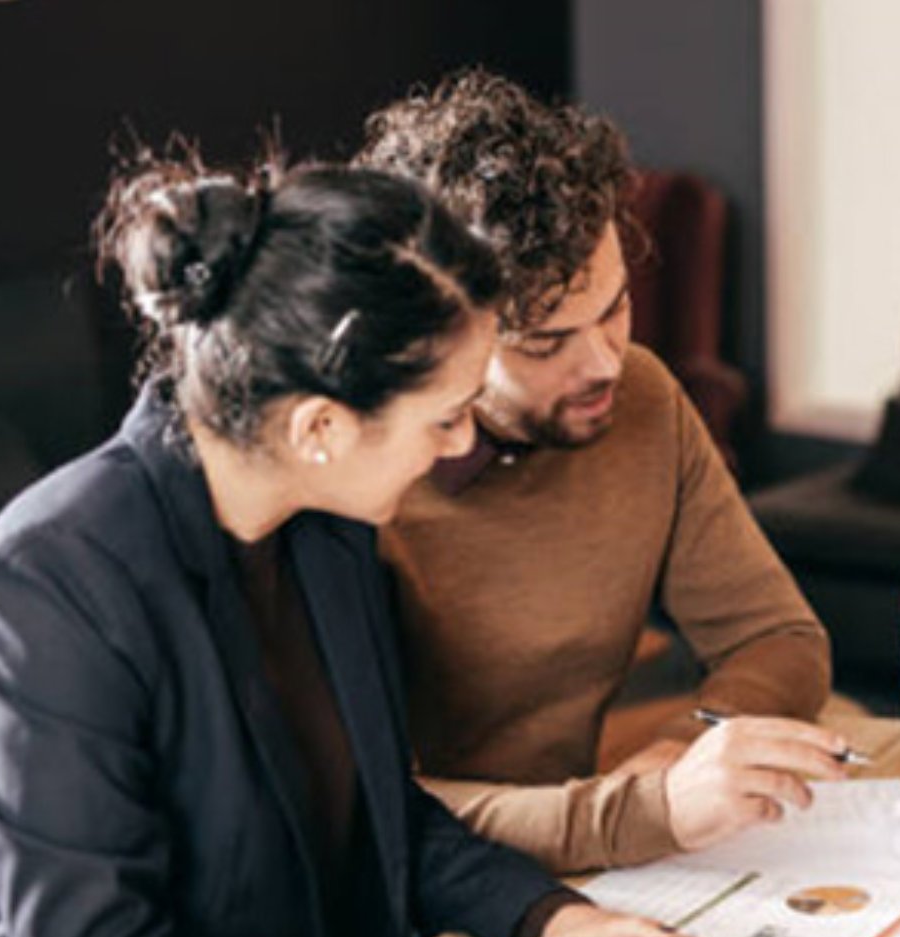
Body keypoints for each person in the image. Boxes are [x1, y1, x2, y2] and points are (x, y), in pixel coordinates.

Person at [0, 152, 742, 937]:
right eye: (446, 416)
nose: (466, 442)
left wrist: (552, 916)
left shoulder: (325, 532)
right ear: (320, 428)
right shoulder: (52, 583)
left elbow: (386, 821)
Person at [354, 70, 847, 874]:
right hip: (422, 894)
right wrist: (634, 814)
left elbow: (778, 638)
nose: (604, 362)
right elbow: (368, 810)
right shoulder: (363, 477)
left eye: (615, 306)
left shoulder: (644, 398)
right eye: (545, 343)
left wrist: (690, 746)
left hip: (588, 859)